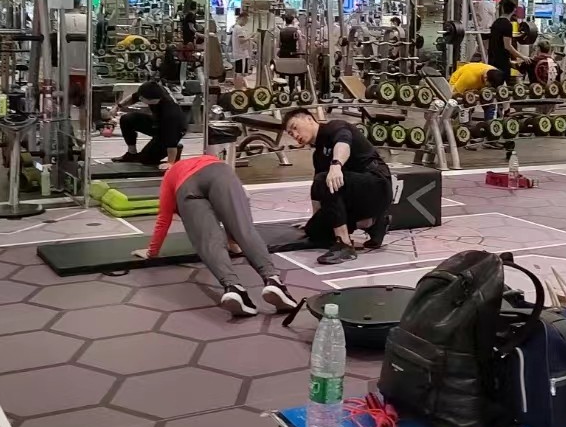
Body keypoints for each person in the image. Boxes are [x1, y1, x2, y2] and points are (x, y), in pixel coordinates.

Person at [144, 153, 297, 317]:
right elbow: (237, 210)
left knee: (208, 241)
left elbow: (164, 218)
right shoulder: (207, 158)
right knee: (244, 229)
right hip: (218, 172)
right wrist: (234, 239)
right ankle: (273, 280)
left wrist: (151, 252)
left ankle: (233, 288)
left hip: (186, 186)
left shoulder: (170, 176)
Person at [282, 108, 392, 266]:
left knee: (325, 179)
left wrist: (336, 164)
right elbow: (317, 191)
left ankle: (345, 245)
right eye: (290, 133)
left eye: (295, 127)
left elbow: (343, 144)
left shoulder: (335, 127)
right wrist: (316, 220)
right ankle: (374, 223)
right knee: (315, 231)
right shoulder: (318, 155)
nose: (295, 134)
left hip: (377, 186)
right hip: (356, 195)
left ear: (309, 119)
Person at [117, 78, 186, 166]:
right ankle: (132, 154)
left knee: (146, 160)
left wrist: (170, 163)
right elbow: (134, 97)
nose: (140, 98)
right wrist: (118, 106)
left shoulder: (170, 114)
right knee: (127, 119)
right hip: (157, 122)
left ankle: (177, 148)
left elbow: (171, 140)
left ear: (154, 100)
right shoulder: (153, 90)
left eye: (143, 98)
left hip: (174, 130)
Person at [488, 0, 529, 80]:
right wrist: (523, 57)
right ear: (514, 10)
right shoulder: (507, 25)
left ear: (503, 8)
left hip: (492, 59)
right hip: (501, 62)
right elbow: (507, 46)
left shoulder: (495, 23)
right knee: (502, 84)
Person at [62, 0, 89, 113]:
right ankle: (84, 125)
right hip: (84, 67)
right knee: (84, 104)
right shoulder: (87, 19)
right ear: (79, 4)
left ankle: (64, 121)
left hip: (64, 68)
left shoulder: (60, 20)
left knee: (64, 100)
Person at [230, 8, 254, 76]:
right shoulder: (238, 28)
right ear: (242, 19)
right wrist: (251, 36)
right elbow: (242, 40)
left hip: (241, 54)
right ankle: (240, 82)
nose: (246, 23)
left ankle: (239, 81)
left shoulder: (238, 28)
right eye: (246, 21)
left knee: (240, 71)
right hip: (241, 54)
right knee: (241, 73)